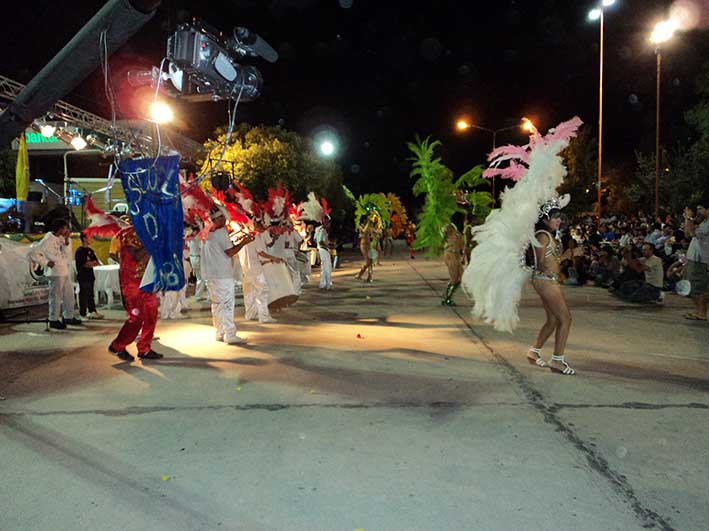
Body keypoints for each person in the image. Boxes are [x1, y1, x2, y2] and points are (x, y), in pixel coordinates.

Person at [525, 200, 576, 375]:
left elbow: (551, 260)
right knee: (566, 319)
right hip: (545, 280)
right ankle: (557, 360)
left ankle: (534, 351)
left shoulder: (548, 235)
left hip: (547, 280)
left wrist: (566, 256)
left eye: (559, 218)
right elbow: (540, 264)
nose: (558, 221)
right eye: (555, 218)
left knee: (554, 320)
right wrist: (561, 261)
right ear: (545, 219)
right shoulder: (543, 236)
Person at [108, 226, 162, 362]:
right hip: (132, 283)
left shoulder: (149, 229)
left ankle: (144, 348)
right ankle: (117, 345)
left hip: (146, 280)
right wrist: (153, 245)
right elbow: (137, 255)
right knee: (135, 318)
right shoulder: (128, 234)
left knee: (151, 314)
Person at [202, 207, 253, 344]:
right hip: (222, 275)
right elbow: (229, 252)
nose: (225, 220)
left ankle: (220, 332)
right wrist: (244, 242)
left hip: (212, 275)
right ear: (217, 219)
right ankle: (230, 334)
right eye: (223, 217)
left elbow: (222, 249)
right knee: (227, 305)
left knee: (217, 304)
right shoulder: (220, 232)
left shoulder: (207, 232)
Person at [33, 219, 80, 329]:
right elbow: (34, 253)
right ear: (59, 229)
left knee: (69, 295)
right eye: (65, 228)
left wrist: (67, 239)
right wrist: (46, 262)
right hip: (55, 272)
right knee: (56, 296)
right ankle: (53, 319)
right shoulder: (48, 239)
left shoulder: (61, 238)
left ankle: (68, 316)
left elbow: (67, 252)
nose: (67, 230)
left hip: (65, 270)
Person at [238, 219, 283, 323]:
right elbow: (261, 252)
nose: (263, 226)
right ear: (254, 225)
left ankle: (250, 314)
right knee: (262, 292)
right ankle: (264, 317)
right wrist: (273, 258)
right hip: (256, 269)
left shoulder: (240, 237)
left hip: (245, 270)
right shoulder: (255, 236)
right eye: (260, 224)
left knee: (249, 293)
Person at [683, 205, 709, 320]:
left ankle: (702, 312)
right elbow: (687, 234)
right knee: (692, 286)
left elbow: (693, 233)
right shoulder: (703, 223)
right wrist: (686, 219)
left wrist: (689, 218)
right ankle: (699, 311)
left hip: (701, 260)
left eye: (701, 209)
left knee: (698, 286)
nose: (699, 212)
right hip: (693, 258)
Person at [75, 232, 104, 320]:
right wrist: (90, 263)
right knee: (83, 293)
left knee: (91, 293)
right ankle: (82, 313)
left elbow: (96, 262)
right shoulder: (79, 251)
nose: (92, 239)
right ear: (84, 238)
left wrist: (91, 263)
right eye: (90, 237)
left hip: (90, 275)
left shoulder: (90, 251)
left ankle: (92, 311)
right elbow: (85, 264)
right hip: (83, 275)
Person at [441, 223, 464, 306]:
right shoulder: (446, 238)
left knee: (461, 278)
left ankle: (447, 296)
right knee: (454, 279)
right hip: (450, 257)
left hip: (456, 257)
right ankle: (448, 298)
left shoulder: (458, 236)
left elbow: (462, 246)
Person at [187, 226, 207, 300]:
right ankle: (199, 295)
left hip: (193, 258)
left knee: (200, 277)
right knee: (202, 277)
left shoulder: (190, 239)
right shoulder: (196, 239)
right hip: (197, 258)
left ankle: (199, 294)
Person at [355, 217, 377, 282]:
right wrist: (368, 223)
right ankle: (360, 274)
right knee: (367, 261)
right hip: (363, 245)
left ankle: (370, 276)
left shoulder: (369, 226)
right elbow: (364, 232)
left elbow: (373, 233)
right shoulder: (360, 227)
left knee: (371, 260)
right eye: (366, 219)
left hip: (369, 244)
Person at [315, 217, 333, 290]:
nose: (329, 225)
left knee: (324, 268)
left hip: (322, 250)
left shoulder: (319, 230)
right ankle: (328, 284)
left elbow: (315, 239)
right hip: (323, 250)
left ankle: (323, 284)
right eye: (328, 223)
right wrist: (328, 246)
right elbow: (320, 242)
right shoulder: (322, 230)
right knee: (327, 267)